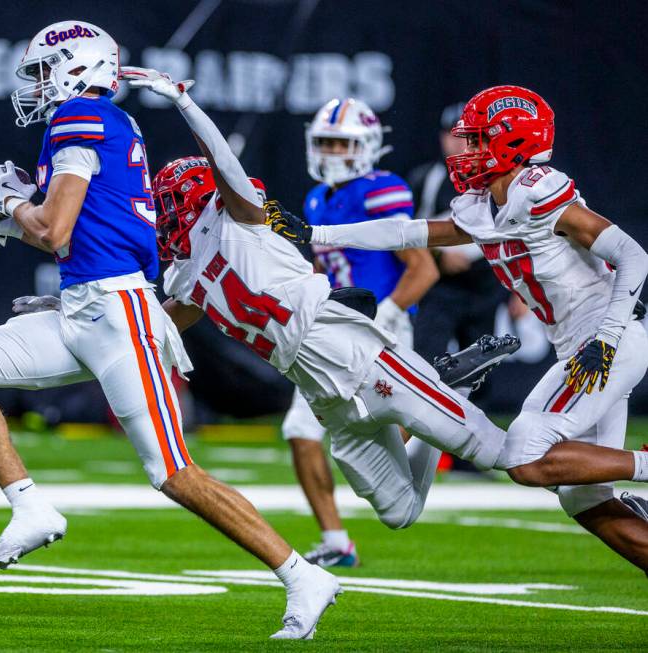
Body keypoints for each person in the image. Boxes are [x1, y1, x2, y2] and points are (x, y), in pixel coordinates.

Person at [0, 21, 340, 641]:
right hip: (84, 307)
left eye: (43, 72)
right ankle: (30, 506)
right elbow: (81, 229)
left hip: (119, 316)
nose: (35, 87)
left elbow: (54, 229)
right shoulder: (96, 123)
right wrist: (11, 217)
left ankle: (302, 573)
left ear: (75, 68)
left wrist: (8, 206)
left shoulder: (79, 119)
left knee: (173, 473)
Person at [121, 65, 522, 550]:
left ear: (194, 199)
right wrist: (81, 311)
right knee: (399, 512)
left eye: (167, 204)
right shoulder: (184, 274)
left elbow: (223, 163)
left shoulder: (241, 215)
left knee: (493, 451)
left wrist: (186, 104)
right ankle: (446, 387)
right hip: (310, 375)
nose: (160, 217)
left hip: (344, 340)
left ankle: (633, 469)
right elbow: (149, 322)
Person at [267, 85, 648, 572]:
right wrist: (316, 233)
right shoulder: (481, 204)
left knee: (525, 451)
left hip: (607, 336)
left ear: (511, 142)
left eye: (477, 140)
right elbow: (407, 232)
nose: (465, 151)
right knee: (586, 500)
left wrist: (608, 337)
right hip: (577, 342)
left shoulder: (537, 191)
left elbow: (631, 254)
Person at [282, 98, 438, 568]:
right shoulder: (315, 198)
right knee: (300, 431)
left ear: (367, 146)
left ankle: (474, 417)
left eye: (342, 143)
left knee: (420, 426)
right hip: (331, 335)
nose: (331, 151)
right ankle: (336, 540)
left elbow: (423, 266)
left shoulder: (382, 189)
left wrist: (390, 312)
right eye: (325, 141)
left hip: (379, 332)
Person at [408, 102, 505, 371]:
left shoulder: (501, 179)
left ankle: (473, 413)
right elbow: (405, 234)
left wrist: (515, 295)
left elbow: (514, 231)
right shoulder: (425, 178)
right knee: (426, 361)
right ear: (441, 138)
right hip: (440, 288)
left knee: (480, 370)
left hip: (485, 288)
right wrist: (439, 255)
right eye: (454, 135)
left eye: (470, 138)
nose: (461, 144)